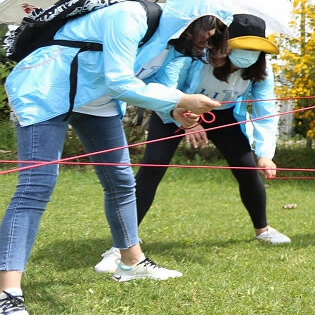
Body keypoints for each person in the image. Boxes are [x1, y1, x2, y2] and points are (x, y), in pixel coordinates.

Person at [1, 0, 230, 315]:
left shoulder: (176, 45)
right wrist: (182, 99)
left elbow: (163, 87)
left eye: (218, 31)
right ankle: (7, 294)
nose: (211, 36)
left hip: (96, 100)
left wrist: (176, 109)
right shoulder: (129, 16)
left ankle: (131, 262)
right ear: (193, 17)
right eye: (211, 27)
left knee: (121, 181)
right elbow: (121, 82)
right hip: (47, 87)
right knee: (36, 186)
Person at [93, 14, 289, 272]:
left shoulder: (260, 71)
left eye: (255, 49)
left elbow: (265, 111)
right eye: (243, 47)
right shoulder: (195, 56)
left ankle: (262, 230)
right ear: (225, 43)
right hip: (175, 111)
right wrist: (186, 119)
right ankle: (122, 246)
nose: (248, 54)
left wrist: (265, 154)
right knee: (152, 168)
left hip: (222, 115)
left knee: (247, 168)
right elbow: (166, 87)